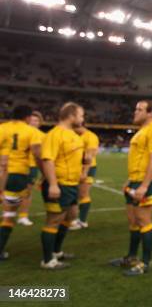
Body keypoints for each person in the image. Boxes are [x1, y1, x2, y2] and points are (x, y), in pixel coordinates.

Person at [110, 100, 152, 276]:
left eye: (139, 109)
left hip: (147, 183)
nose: (135, 112)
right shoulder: (142, 131)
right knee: (133, 221)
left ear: (150, 113)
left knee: (144, 220)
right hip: (135, 181)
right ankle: (132, 257)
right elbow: (140, 159)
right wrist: (130, 180)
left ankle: (146, 262)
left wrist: (143, 185)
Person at [39, 102, 85, 270]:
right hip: (59, 184)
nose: (82, 119)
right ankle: (47, 260)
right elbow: (48, 159)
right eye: (81, 115)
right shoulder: (55, 134)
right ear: (71, 116)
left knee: (71, 216)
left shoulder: (73, 134)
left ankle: (56, 252)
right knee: (54, 221)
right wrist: (52, 184)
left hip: (72, 185)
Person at [0, 105, 43, 260]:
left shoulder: (2, 128)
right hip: (16, 175)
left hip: (3, 172)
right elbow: (38, 156)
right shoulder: (32, 132)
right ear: (27, 118)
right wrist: (45, 174)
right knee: (9, 214)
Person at [14, 110, 45, 227]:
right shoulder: (19, 132)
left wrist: (43, 175)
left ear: (40, 122)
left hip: (31, 167)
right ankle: (9, 213)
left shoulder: (43, 136)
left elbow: (44, 156)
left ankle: (23, 216)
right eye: (31, 120)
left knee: (27, 192)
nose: (33, 122)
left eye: (36, 120)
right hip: (15, 166)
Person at [71, 125, 100, 229]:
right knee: (77, 194)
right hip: (77, 167)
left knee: (83, 194)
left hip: (87, 168)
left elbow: (89, 156)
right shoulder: (77, 135)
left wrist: (84, 172)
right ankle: (74, 219)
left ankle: (82, 221)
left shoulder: (90, 136)